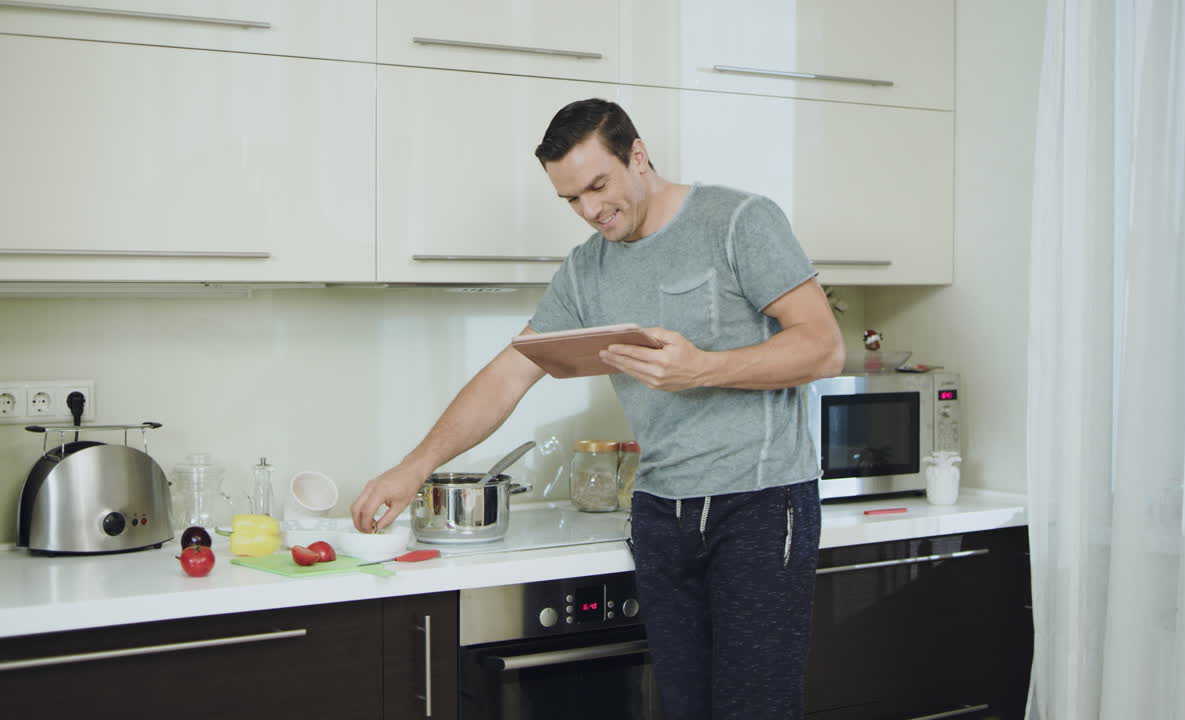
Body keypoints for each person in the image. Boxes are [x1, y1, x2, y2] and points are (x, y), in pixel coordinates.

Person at [352, 98, 844, 719]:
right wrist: (414, 466)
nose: (590, 211)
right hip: (662, 512)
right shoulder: (588, 271)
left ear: (637, 155)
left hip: (761, 505)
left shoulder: (737, 220)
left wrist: (705, 368)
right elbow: (509, 373)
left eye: (598, 185)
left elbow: (823, 347)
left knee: (755, 710)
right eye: (571, 200)